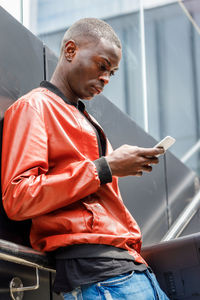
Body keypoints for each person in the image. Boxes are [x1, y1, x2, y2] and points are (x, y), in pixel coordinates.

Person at [1, 18, 169, 299]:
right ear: (70, 51)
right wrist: (105, 167)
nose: (105, 78)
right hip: (101, 274)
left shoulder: (87, 119)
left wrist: (114, 166)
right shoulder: (34, 106)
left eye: (112, 73)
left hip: (131, 270)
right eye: (102, 65)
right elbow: (18, 197)